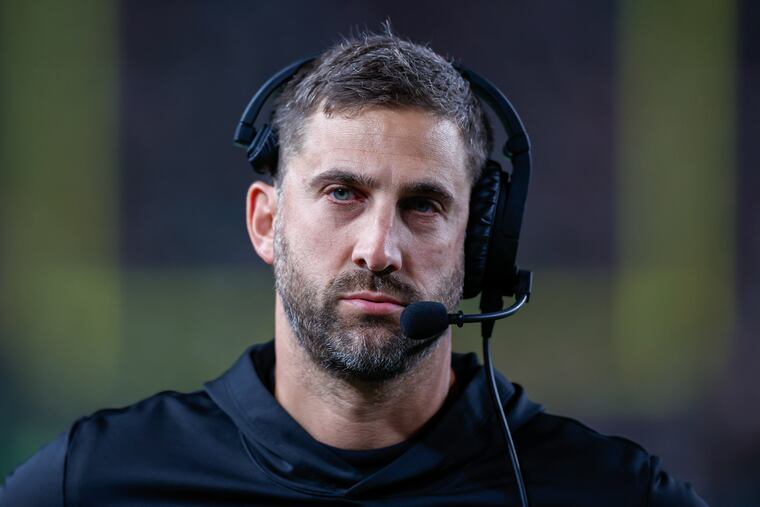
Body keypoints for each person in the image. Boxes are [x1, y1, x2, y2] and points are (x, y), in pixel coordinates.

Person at [1, 29, 708, 506]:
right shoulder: (97, 480)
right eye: (343, 193)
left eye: (423, 205)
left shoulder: (608, 491)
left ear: (477, 245)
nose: (379, 249)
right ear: (265, 222)